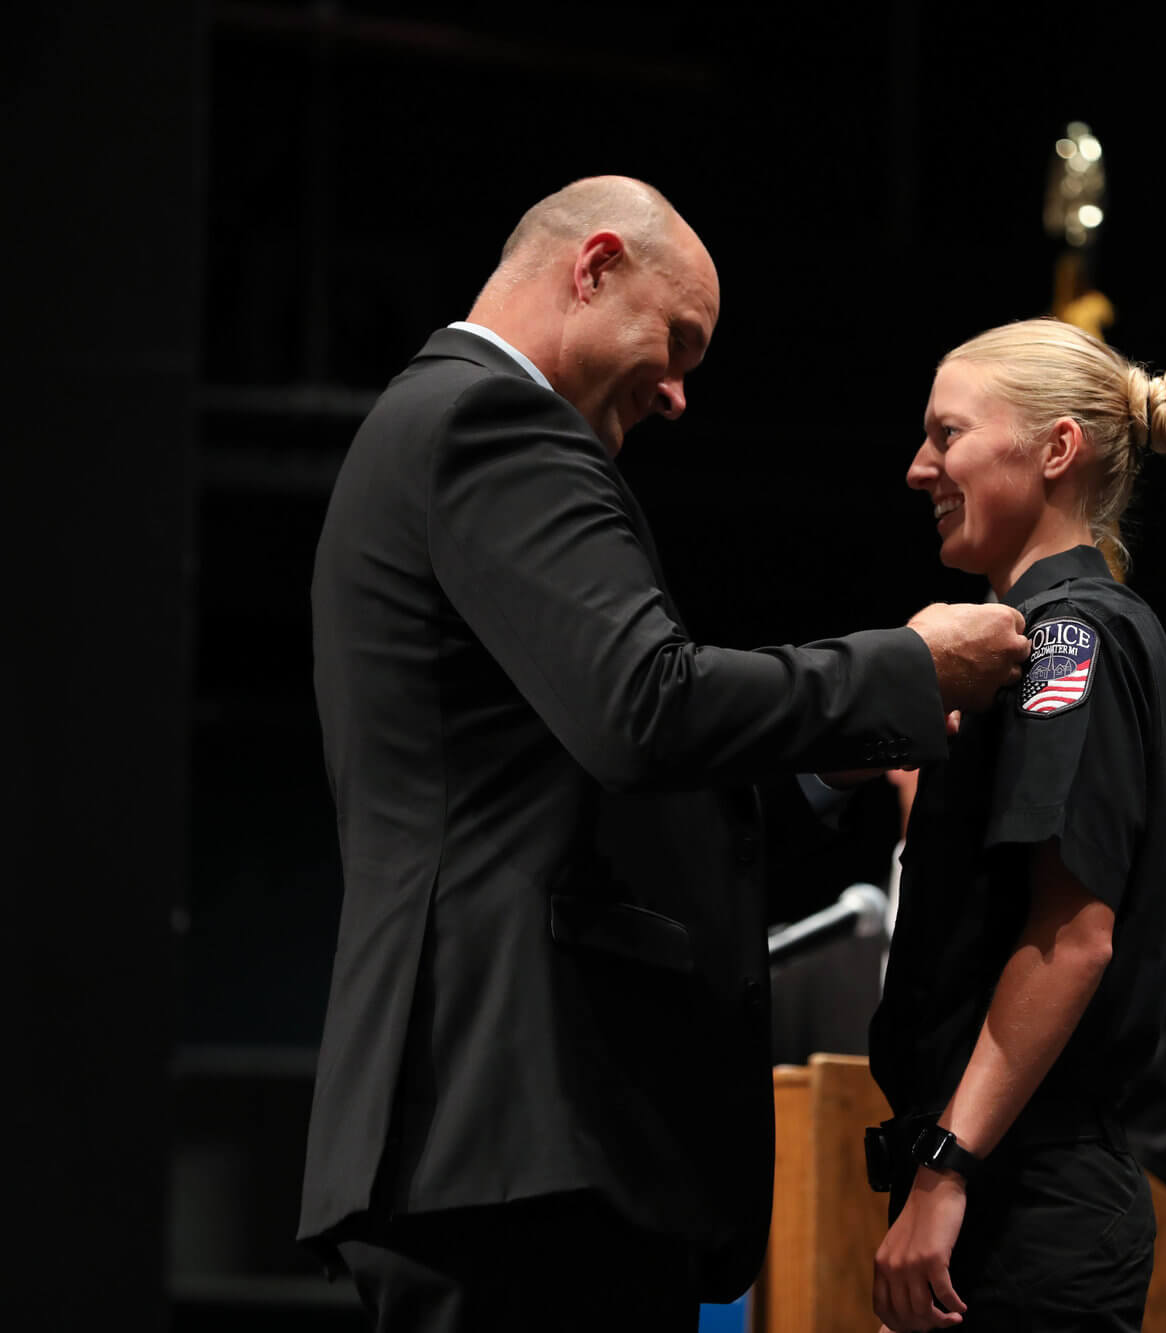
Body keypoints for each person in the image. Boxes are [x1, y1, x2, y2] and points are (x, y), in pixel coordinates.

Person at [299, 176, 1029, 1332]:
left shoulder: (448, 428)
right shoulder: (492, 422)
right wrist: (904, 667)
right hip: (524, 1118)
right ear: (592, 267)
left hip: (513, 1133)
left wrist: (815, 771)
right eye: (675, 342)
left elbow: (575, 759)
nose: (682, 393)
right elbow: (640, 705)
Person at [867, 318, 1166, 1332]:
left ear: (1055, 449)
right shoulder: (1055, 638)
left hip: (1025, 1190)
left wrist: (943, 1169)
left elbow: (1070, 938)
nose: (917, 467)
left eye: (947, 435)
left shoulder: (1068, 639)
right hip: (1011, 1180)